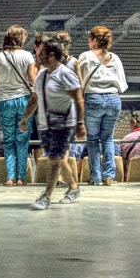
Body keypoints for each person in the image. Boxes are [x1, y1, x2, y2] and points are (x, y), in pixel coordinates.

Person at [25, 38, 84, 210]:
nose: (37, 54)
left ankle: (46, 196)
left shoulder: (66, 74)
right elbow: (34, 98)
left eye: (41, 52)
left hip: (64, 124)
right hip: (46, 124)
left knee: (54, 160)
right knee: (57, 159)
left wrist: (80, 123)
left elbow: (78, 100)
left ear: (51, 55)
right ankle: (74, 188)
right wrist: (25, 117)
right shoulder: (42, 75)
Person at [74, 27, 128, 187]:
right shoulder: (115, 58)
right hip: (113, 98)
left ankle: (96, 176)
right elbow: (122, 84)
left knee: (92, 140)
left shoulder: (85, 56)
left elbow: (80, 79)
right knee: (108, 138)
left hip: (94, 99)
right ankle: (109, 174)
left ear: (95, 40)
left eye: (90, 39)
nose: (88, 43)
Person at [0, 28, 36, 185]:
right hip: (23, 100)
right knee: (22, 140)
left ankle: (9, 177)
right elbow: (32, 81)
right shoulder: (27, 56)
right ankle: (20, 178)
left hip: (4, 101)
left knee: (8, 141)